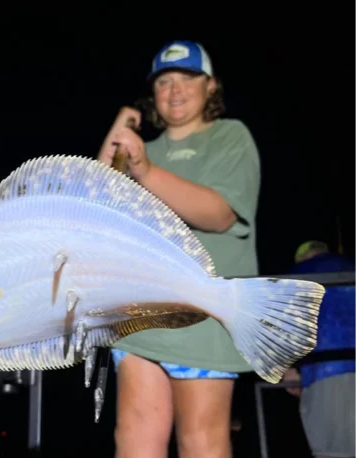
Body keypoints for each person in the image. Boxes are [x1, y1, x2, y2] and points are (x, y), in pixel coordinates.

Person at [97, 40, 261, 458]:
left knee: (201, 441)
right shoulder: (141, 151)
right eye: (164, 81)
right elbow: (96, 203)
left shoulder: (230, 136)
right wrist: (120, 130)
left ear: (211, 86)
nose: (174, 90)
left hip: (205, 316)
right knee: (134, 436)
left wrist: (146, 173)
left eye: (187, 79)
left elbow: (220, 214)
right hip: (142, 314)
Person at [282, 241, 356, 458]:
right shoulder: (350, 266)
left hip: (328, 370)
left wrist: (288, 368)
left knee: (334, 450)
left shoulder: (297, 276)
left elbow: (283, 324)